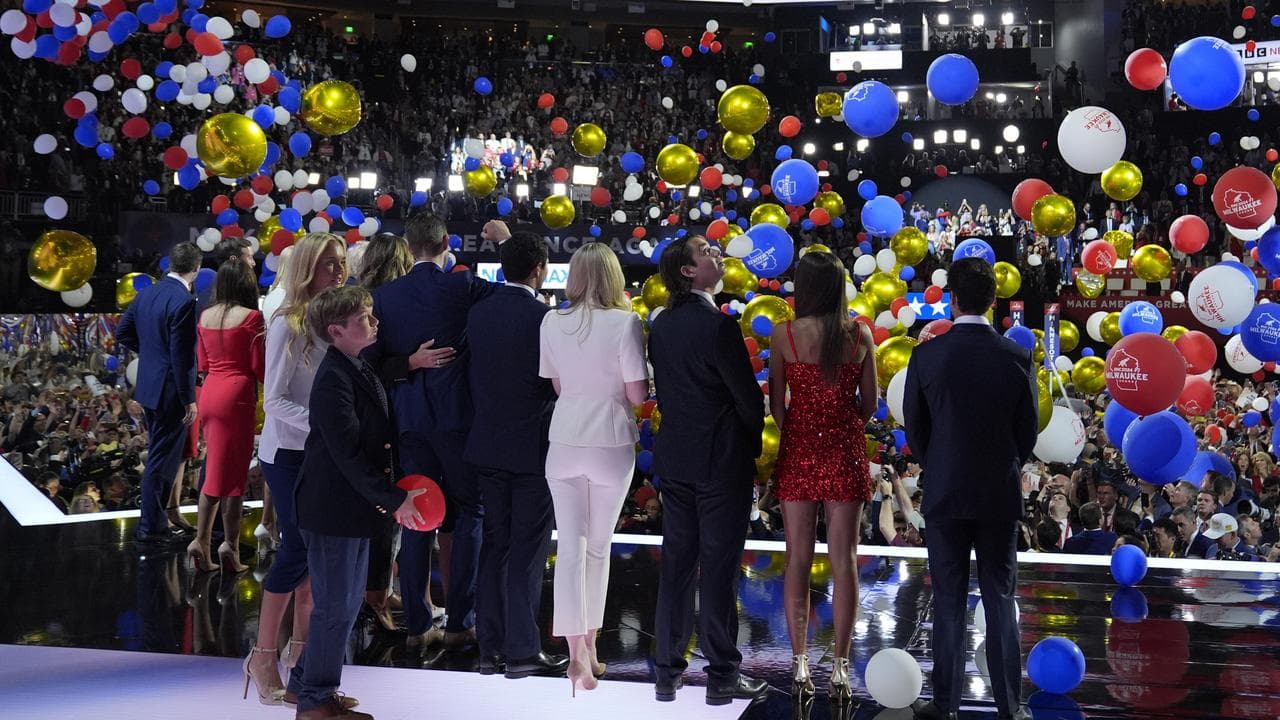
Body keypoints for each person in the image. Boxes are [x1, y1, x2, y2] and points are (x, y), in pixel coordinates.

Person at [903, 257, 1037, 720]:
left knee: (948, 600)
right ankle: (1011, 708)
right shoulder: (1017, 357)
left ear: (952, 300)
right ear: (994, 301)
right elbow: (1028, 432)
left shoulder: (926, 355)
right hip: (998, 492)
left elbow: (915, 430)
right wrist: (1004, 462)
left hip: (944, 492)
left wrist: (938, 464)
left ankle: (945, 706)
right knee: (1000, 598)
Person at [289, 285, 425, 720]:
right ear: (336, 330)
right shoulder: (334, 379)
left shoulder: (353, 366)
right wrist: (394, 499)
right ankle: (315, 702)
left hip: (347, 508)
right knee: (337, 607)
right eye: (365, 318)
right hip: (332, 509)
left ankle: (305, 685)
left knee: (342, 605)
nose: (375, 322)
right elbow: (347, 456)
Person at [648, 234, 768, 706]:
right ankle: (721, 675)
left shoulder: (660, 326)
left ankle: (666, 673)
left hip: (676, 459)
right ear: (687, 271)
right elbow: (747, 399)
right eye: (707, 252)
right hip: (720, 464)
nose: (718, 254)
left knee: (677, 566)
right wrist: (752, 448)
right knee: (718, 569)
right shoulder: (719, 326)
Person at [364, 213, 489, 648]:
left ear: (408, 245)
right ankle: (461, 622)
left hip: (411, 423)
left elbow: (370, 365)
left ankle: (417, 626)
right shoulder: (463, 286)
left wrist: (408, 364)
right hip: (458, 423)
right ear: (446, 242)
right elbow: (514, 293)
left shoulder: (383, 298)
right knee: (469, 515)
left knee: (416, 517)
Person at [538, 242, 649, 695]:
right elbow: (638, 395)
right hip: (610, 439)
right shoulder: (626, 322)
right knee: (598, 548)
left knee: (570, 547)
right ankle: (589, 647)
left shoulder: (551, 319)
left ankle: (577, 651)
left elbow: (559, 384)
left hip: (563, 439)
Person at [245, 232, 348, 706]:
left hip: (319, 453)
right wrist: (323, 428)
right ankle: (263, 656)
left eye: (342, 263)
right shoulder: (289, 323)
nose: (338, 272)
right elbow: (276, 400)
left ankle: (305, 670)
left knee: (316, 560)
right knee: (298, 550)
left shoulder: (333, 321)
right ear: (308, 268)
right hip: (288, 453)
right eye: (329, 264)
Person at [767, 251, 876, 700]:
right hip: (844, 450)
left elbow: (776, 405)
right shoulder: (859, 334)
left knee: (796, 557)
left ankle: (798, 664)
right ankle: (841, 667)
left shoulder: (784, 334)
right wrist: (840, 422)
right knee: (844, 560)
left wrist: (802, 425)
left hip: (799, 450)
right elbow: (869, 404)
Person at [465, 232, 567, 678]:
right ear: (540, 269)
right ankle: (523, 651)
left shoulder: (478, 313)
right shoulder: (546, 319)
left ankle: (490, 649)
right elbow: (553, 384)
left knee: (495, 547)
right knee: (527, 550)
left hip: (487, 445)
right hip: (532, 449)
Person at [115, 241, 201, 546]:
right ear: (196, 269)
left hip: (150, 387)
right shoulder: (184, 301)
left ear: (169, 265)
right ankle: (151, 527)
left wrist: (152, 355)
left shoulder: (147, 292)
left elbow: (122, 332)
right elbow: (182, 357)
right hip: (170, 392)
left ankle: (154, 522)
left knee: (159, 456)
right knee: (161, 462)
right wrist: (188, 396)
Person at [189, 258, 265, 573]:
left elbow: (203, 363)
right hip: (237, 398)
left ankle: (204, 542)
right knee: (233, 478)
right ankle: (226, 547)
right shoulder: (252, 317)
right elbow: (259, 367)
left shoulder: (205, 315)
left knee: (217, 471)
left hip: (210, 393)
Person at [356, 232, 415, 635]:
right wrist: (411, 361)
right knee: (383, 509)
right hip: (377, 417)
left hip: (373, 416)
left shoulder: (365, 298)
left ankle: (380, 589)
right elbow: (370, 367)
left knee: (385, 509)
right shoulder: (376, 306)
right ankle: (375, 596)